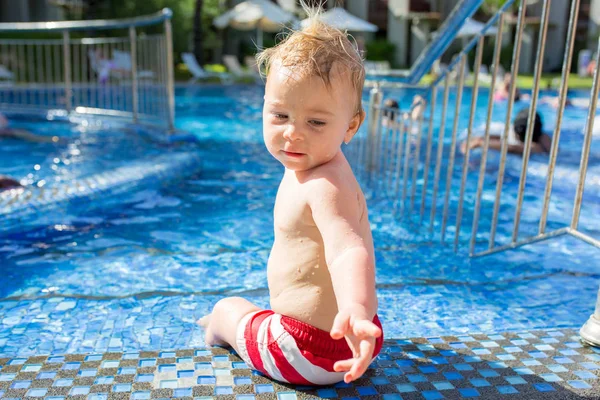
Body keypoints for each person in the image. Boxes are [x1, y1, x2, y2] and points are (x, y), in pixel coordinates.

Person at [197, 10, 383, 386]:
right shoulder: (320, 164)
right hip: (357, 336)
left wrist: (352, 308)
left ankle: (219, 325)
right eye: (280, 115)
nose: (293, 134)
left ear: (350, 126)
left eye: (316, 122)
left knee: (230, 308)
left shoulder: (323, 185)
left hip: (304, 351)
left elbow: (348, 249)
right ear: (263, 107)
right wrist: (360, 317)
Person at [460, 107, 552, 155]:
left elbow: (512, 148)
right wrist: (480, 138)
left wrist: (480, 143)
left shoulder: (535, 147)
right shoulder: (543, 137)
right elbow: (502, 137)